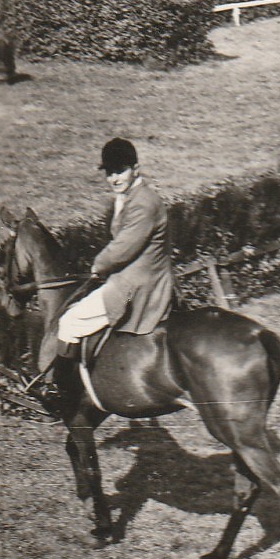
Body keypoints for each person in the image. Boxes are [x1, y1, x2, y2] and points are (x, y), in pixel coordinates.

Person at [40, 138, 177, 396]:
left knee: (70, 321)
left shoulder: (143, 203)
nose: (114, 178)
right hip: (133, 277)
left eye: (120, 171)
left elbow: (123, 247)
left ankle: (63, 389)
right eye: (110, 172)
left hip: (136, 286)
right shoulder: (129, 196)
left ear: (136, 168)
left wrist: (98, 266)